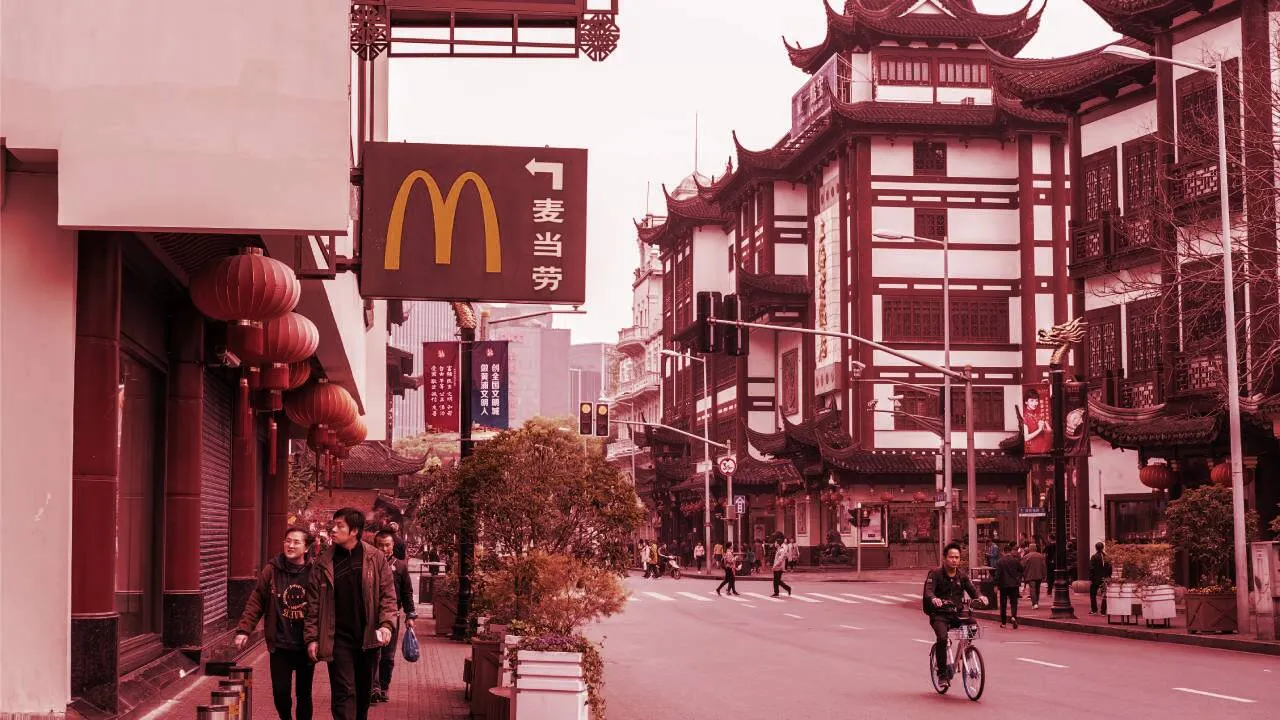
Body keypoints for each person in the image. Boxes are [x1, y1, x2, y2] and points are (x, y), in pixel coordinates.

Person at [305, 508, 399, 720]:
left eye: (340, 525)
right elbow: (313, 604)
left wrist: (386, 625)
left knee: (363, 694)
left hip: (367, 637)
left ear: (354, 530)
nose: (334, 529)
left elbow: (388, 596)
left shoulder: (375, 558)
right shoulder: (323, 562)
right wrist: (311, 637)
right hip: (337, 638)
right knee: (343, 693)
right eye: (334, 524)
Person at [234, 527, 315, 720]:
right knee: (280, 692)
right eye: (287, 541)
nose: (290, 545)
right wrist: (244, 630)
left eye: (296, 542)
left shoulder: (315, 572)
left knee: (304, 694)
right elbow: (257, 601)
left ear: (306, 547)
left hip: (306, 643)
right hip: (279, 643)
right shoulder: (271, 570)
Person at [923, 542, 987, 685]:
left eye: (957, 557)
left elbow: (972, 590)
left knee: (973, 625)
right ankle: (942, 674)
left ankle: (959, 657)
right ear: (944, 558)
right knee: (942, 638)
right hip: (939, 615)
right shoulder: (936, 574)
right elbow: (929, 590)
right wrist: (934, 599)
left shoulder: (962, 576)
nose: (954, 560)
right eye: (951, 557)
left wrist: (980, 597)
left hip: (956, 614)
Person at [371, 530, 416, 704]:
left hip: (392, 615)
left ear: (393, 545)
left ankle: (383, 687)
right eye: (380, 545)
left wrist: (410, 615)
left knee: (387, 656)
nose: (384, 548)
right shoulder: (369, 565)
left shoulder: (401, 566)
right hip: (372, 615)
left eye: (387, 545)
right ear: (375, 546)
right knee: (373, 653)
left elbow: (407, 592)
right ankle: (373, 688)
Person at [994, 542, 1024, 629]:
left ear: (1003, 552)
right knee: (1014, 602)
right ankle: (1014, 617)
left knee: (1003, 604)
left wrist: (995, 584)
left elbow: (997, 574)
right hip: (1014, 584)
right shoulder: (1015, 560)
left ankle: (1003, 623)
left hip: (1003, 585)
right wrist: (1017, 578)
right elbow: (1021, 569)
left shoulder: (1000, 561)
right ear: (1010, 551)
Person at [1088, 541, 1112, 615]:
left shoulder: (1094, 557)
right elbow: (1109, 568)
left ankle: (1094, 610)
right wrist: (1108, 577)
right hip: (1104, 579)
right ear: (1103, 548)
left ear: (1096, 548)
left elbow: (1091, 569)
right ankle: (1103, 611)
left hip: (1095, 579)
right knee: (1104, 594)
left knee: (1092, 594)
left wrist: (1091, 579)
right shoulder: (1106, 557)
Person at [1022, 543, 1047, 609]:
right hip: (1039, 575)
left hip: (1030, 575)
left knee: (1032, 589)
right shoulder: (1041, 556)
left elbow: (1022, 566)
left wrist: (1023, 574)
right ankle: (1036, 602)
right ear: (1035, 548)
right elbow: (1044, 566)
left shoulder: (1026, 557)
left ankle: (1034, 603)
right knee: (1037, 589)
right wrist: (1044, 574)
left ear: (1030, 549)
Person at [770, 533, 792, 597]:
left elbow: (780, 560)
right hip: (777, 567)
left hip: (779, 568)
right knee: (777, 581)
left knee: (776, 581)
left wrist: (775, 566)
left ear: (778, 544)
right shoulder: (778, 550)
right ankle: (778, 592)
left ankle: (780, 591)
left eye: (775, 542)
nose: (775, 543)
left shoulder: (781, 550)